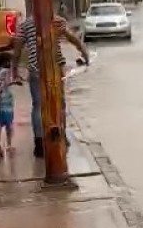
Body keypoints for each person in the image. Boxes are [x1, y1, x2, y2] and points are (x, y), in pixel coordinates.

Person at [11, 13, 88, 158]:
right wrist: (84, 52)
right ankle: (61, 136)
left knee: (38, 106)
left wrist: (14, 69)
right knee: (59, 103)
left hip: (35, 69)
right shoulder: (57, 20)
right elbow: (72, 38)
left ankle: (39, 143)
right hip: (55, 68)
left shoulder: (25, 25)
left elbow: (17, 48)